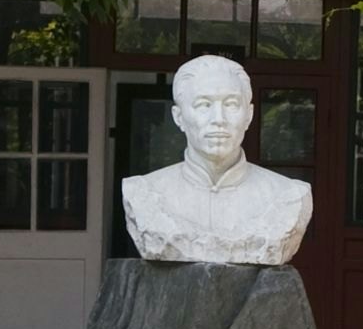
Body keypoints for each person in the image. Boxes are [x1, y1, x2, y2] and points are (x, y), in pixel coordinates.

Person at [119, 53, 312, 264]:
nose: (218, 119)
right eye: (203, 105)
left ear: (249, 115)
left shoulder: (289, 196)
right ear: (178, 117)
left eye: (231, 104)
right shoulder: (143, 192)